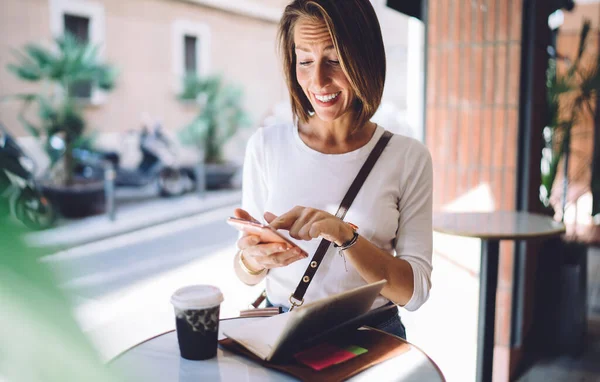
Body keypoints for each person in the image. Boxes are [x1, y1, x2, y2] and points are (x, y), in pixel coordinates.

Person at [233, 0, 432, 339]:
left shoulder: (407, 157)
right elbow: (246, 272)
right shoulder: (266, 146)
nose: (318, 80)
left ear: (363, 58)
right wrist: (252, 259)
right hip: (281, 327)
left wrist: (346, 236)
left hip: (368, 333)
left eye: (334, 59)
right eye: (305, 61)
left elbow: (414, 292)